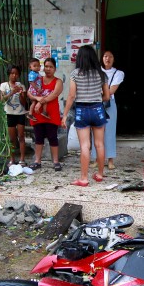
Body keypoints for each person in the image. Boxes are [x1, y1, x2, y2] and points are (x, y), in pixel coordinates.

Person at [62, 45, 110, 187]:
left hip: (81, 111)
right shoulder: (102, 74)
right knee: (99, 144)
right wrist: (96, 98)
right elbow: (107, 96)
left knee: (85, 145)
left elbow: (71, 96)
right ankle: (100, 174)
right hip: (98, 110)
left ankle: (84, 178)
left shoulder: (75, 73)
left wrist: (64, 115)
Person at [27, 57, 63, 171]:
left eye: (50, 67)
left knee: (53, 137)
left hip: (51, 113)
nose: (48, 69)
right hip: (38, 114)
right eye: (46, 66)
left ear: (55, 69)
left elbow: (54, 94)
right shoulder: (38, 79)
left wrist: (41, 102)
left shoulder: (58, 81)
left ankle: (56, 161)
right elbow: (29, 93)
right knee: (38, 137)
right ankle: (37, 161)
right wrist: (38, 99)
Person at [93, 50, 124, 170]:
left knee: (110, 131)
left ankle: (110, 160)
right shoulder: (96, 71)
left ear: (114, 59)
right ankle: (96, 159)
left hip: (109, 103)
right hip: (96, 102)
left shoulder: (118, 73)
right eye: (105, 56)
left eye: (110, 56)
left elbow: (112, 90)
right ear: (102, 58)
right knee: (96, 131)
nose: (108, 58)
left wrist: (100, 93)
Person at [0, 65, 27, 165]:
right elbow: (2, 100)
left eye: (16, 74)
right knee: (12, 138)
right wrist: (11, 93)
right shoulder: (4, 85)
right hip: (9, 114)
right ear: (9, 74)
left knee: (21, 136)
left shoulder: (21, 85)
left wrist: (21, 93)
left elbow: (24, 103)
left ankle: (22, 159)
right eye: (12, 73)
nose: (14, 75)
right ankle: (12, 159)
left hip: (20, 113)